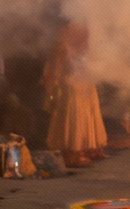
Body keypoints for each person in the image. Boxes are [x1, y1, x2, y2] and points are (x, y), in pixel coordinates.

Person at [44, 21, 108, 167]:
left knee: (88, 113)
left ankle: (87, 148)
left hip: (84, 79)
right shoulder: (64, 35)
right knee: (75, 116)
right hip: (71, 82)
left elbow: (93, 54)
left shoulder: (87, 30)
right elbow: (58, 60)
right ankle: (72, 152)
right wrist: (54, 80)